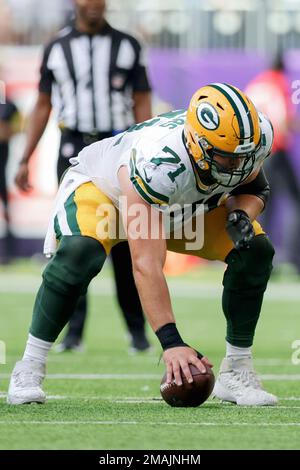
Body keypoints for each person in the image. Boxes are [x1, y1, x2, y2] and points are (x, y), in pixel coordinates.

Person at [7, 83, 278, 406]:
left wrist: (241, 216)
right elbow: (146, 263)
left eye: (244, 156)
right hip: (106, 191)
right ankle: (30, 364)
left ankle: (237, 369)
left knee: (255, 251)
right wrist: (171, 342)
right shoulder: (156, 162)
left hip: (181, 204)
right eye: (227, 158)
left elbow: (255, 186)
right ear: (197, 144)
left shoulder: (250, 138)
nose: (238, 165)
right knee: (80, 254)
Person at [14, 0, 152, 352]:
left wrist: (143, 146)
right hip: (73, 150)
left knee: (125, 242)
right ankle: (72, 334)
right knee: (76, 242)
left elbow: (141, 100)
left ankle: (137, 332)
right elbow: (43, 103)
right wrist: (26, 157)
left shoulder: (128, 44)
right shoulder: (57, 47)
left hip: (119, 146)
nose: (95, 4)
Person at [246, 53, 300, 273]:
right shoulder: (278, 83)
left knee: (261, 202)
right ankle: (293, 257)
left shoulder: (258, 83)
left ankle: (259, 257)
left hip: (257, 153)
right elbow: (283, 119)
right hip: (275, 149)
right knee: (295, 202)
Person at [0, 93, 20, 262]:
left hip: (2, 171)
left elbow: (20, 127)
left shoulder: (9, 104)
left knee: (7, 211)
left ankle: (9, 251)